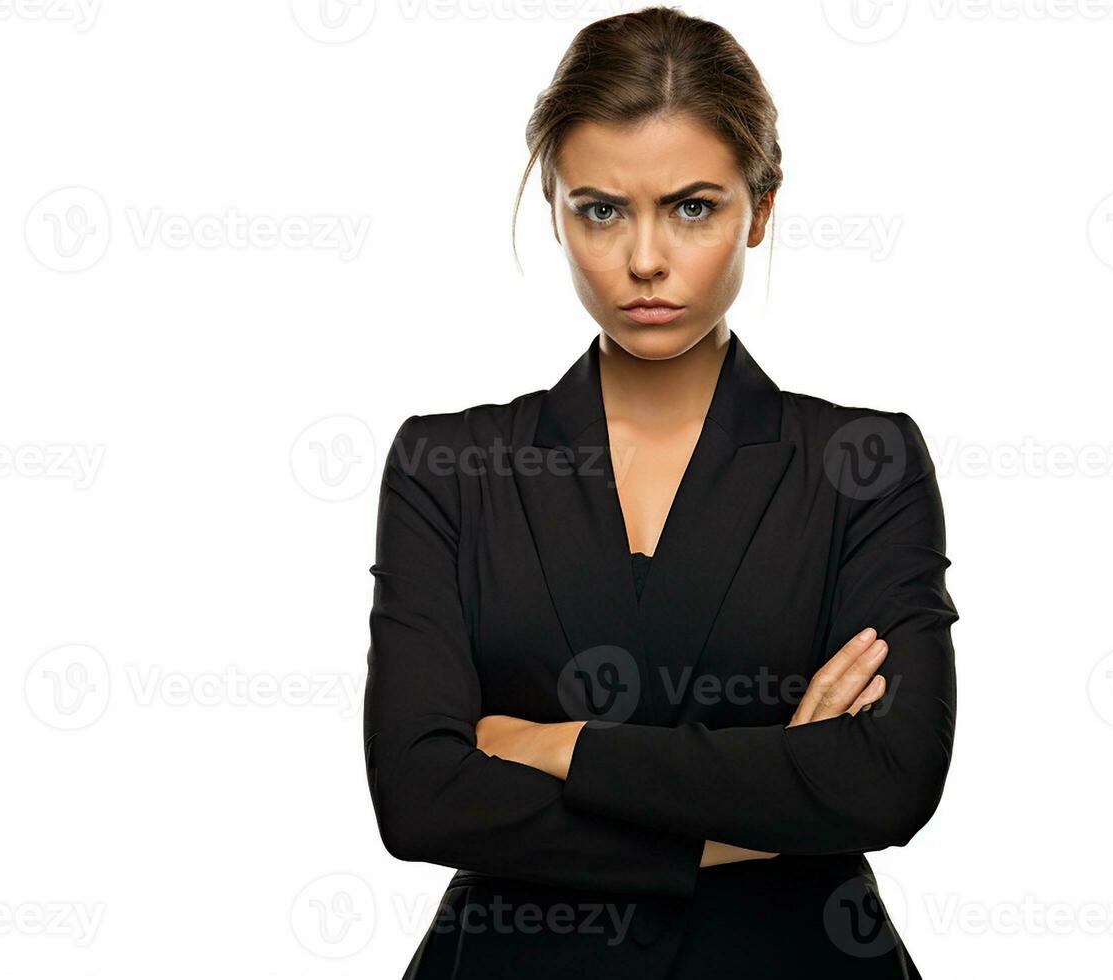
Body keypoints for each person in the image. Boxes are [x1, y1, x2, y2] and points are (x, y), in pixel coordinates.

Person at [363, 7, 958, 977]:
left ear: (759, 208)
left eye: (692, 207)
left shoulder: (863, 460)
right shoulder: (447, 464)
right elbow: (420, 794)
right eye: (600, 209)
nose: (645, 259)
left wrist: (551, 743)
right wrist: (767, 803)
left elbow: (886, 781)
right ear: (553, 205)